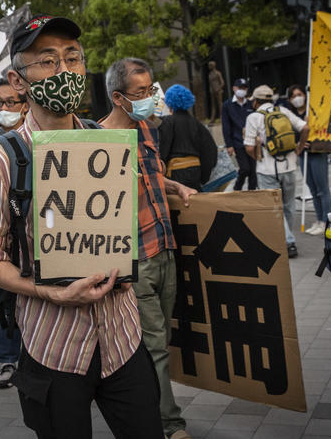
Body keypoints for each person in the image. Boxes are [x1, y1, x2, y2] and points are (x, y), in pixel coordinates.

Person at [0, 15, 162, 439]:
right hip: (53, 348)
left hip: (123, 338)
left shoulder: (107, 144)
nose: (65, 71)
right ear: (19, 81)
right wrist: (48, 290)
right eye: (48, 61)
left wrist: (125, 264)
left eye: (72, 58)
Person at [100, 58, 197, 439]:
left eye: (150, 90)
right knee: (155, 344)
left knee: (161, 340)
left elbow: (153, 175)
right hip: (134, 257)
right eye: (140, 93)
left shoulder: (148, 129)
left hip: (166, 248)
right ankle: (170, 424)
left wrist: (175, 187)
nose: (148, 99)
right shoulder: (98, 138)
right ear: (118, 97)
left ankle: (144, 407)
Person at [244, 84, 309, 258]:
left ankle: (288, 241)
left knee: (275, 207)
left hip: (267, 169)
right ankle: (286, 238)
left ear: (256, 101)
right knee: (288, 205)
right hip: (290, 166)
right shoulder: (284, 111)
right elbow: (305, 128)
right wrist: (299, 148)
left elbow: (249, 147)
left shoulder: (254, 117)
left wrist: (257, 157)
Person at [282, 84, 331, 235]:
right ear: (290, 99)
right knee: (313, 188)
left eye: (299, 94)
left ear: (305, 95)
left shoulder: (313, 111)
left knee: (322, 189)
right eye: (293, 96)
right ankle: (318, 220)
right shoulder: (291, 115)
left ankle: (327, 222)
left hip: (317, 152)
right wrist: (300, 143)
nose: (297, 98)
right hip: (303, 154)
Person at [159, 84, 217, 191]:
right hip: (196, 172)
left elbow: (162, 148)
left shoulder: (168, 122)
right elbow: (210, 151)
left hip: (174, 173)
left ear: (169, 102)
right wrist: (203, 177)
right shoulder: (198, 124)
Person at [221, 78, 256, 190]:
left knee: (253, 172)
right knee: (245, 169)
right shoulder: (227, 105)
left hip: (252, 141)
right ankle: (237, 188)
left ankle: (252, 195)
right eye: (240, 88)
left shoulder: (251, 104)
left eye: (244, 88)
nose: (242, 90)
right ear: (234, 88)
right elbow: (226, 125)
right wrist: (229, 144)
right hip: (238, 142)